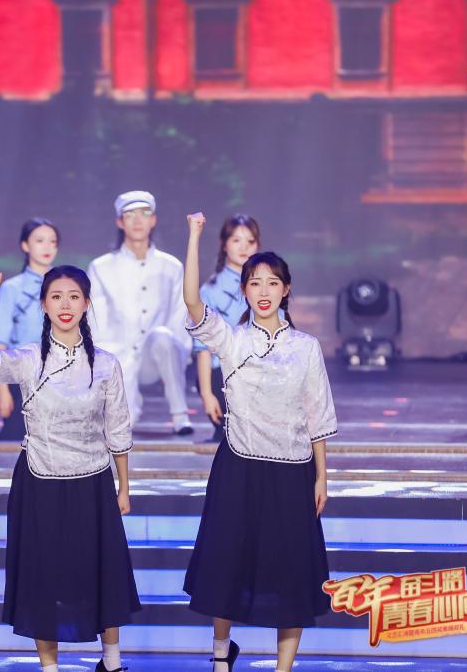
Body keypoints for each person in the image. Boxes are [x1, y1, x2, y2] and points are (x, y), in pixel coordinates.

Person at [181, 213, 337, 672]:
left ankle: (283, 667)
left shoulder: (306, 347)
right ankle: (220, 654)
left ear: (286, 290)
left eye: (272, 283)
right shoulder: (231, 340)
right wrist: (194, 236)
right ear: (244, 290)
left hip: (293, 470)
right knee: (226, 562)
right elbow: (192, 301)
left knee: (291, 572)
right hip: (239, 466)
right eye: (255, 283)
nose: (264, 291)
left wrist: (322, 476)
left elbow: (317, 414)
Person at [0, 265, 140, 672]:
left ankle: (111, 662)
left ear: (86, 304)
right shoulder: (29, 359)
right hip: (40, 480)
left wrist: (124, 487)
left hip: (93, 480)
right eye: (56, 296)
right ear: (44, 305)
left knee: (102, 571)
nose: (65, 304)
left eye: (74, 296)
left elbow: (117, 429)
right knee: (43, 577)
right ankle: (50, 667)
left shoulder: (105, 364)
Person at [88, 190, 193, 435]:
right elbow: (96, 322)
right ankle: (126, 408)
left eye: (144, 214)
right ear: (120, 222)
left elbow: (180, 317)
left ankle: (180, 414)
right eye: (130, 215)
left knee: (163, 336)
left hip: (155, 357)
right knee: (123, 426)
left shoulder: (171, 266)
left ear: (153, 220)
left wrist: (179, 359)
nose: (137, 220)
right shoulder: (101, 267)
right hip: (118, 358)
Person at [0, 218, 60, 440]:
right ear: (25, 245)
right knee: (24, 439)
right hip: (23, 379)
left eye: (52, 242)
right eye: (40, 241)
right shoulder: (12, 288)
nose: (47, 247)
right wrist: (2, 392)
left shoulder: (66, 285)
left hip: (61, 378)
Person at [196, 215, 262, 442]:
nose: (244, 247)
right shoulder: (210, 290)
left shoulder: (268, 285)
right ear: (224, 245)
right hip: (223, 375)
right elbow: (203, 348)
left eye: (250, 241)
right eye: (236, 240)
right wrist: (206, 394)